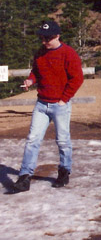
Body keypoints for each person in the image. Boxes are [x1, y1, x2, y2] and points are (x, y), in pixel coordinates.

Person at [11, 20, 84, 193]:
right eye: (42, 38)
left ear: (57, 36)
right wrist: (30, 80)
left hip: (60, 105)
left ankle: (64, 171)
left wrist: (63, 99)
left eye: (47, 39)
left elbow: (77, 78)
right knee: (32, 140)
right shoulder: (40, 53)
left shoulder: (68, 53)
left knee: (62, 141)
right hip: (41, 104)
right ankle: (24, 177)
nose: (44, 42)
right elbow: (36, 71)